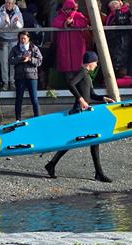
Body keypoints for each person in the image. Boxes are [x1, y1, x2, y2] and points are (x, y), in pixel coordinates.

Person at [44, 51, 116, 182]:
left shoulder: (87, 75)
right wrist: (81, 99)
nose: (96, 64)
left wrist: (104, 98)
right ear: (90, 62)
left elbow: (92, 95)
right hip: (79, 111)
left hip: (83, 112)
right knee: (88, 140)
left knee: (85, 140)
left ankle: (52, 164)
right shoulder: (82, 72)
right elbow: (70, 84)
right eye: (95, 62)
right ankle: (98, 173)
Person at [52, 0, 89, 83]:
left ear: (73, 8)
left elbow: (84, 22)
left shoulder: (78, 15)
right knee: (68, 72)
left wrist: (72, 23)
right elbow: (55, 23)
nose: (67, 11)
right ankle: (71, 88)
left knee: (79, 69)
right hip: (64, 47)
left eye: (69, 9)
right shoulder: (60, 16)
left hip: (77, 46)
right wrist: (65, 23)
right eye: (66, 9)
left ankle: (80, 88)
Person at [9, 31, 42, 121]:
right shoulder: (15, 49)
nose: (22, 40)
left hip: (32, 76)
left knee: (34, 99)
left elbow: (39, 61)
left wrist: (30, 59)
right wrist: (20, 59)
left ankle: (37, 118)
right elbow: (10, 60)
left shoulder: (34, 48)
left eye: (24, 38)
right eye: (21, 38)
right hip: (20, 77)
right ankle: (18, 119)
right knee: (19, 99)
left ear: (28, 39)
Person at [0, 0, 23, 91]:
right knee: (4, 63)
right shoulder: (0, 12)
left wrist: (15, 23)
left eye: (10, 3)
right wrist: (5, 23)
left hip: (14, 40)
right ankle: (5, 83)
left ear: (14, 4)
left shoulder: (18, 13)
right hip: (3, 40)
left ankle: (13, 82)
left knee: (13, 63)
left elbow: (21, 27)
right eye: (6, 2)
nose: (8, 4)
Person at [105, 0, 132, 76]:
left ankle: (123, 77)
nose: (111, 9)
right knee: (115, 59)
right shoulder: (112, 14)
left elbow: (120, 22)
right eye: (110, 8)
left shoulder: (123, 12)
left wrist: (118, 11)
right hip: (114, 40)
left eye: (112, 7)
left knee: (121, 60)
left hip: (121, 40)